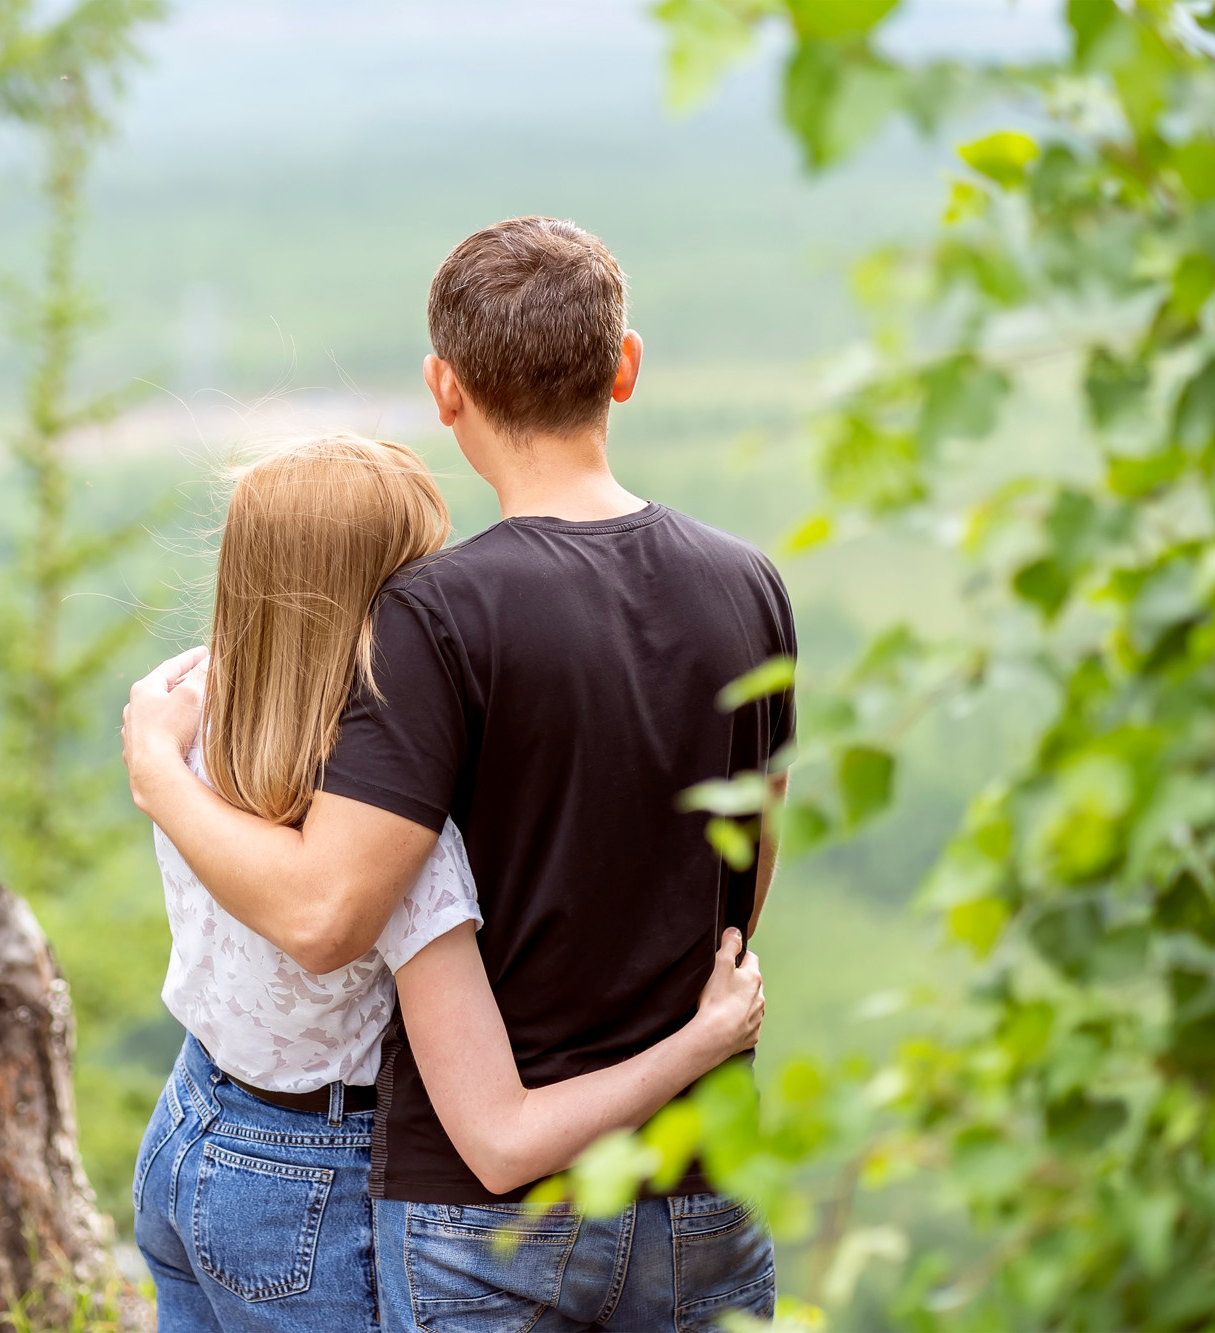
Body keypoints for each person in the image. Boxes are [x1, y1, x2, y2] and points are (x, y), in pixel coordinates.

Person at [124, 217, 797, 1332]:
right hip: (693, 1174)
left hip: (480, 1208)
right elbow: (748, 859)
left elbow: (328, 906)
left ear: (445, 389)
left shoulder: (431, 620)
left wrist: (157, 767)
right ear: (624, 366)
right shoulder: (749, 584)